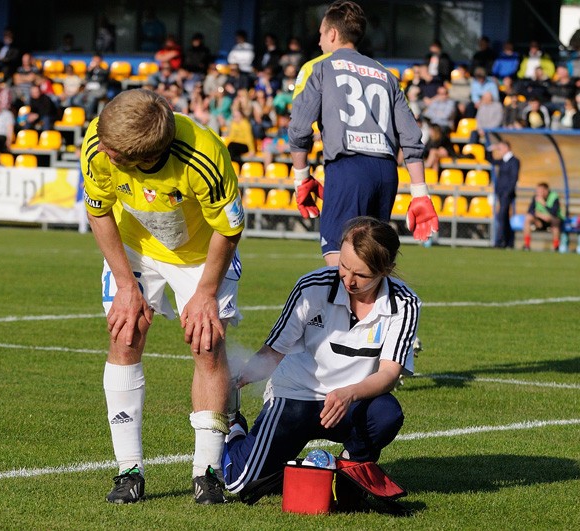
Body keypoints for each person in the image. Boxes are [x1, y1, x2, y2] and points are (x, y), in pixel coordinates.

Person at [81, 89, 244, 505]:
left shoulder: (205, 158)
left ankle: (207, 473)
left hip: (199, 254)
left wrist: (206, 292)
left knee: (207, 344)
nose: (102, 150)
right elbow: (98, 212)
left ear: (140, 158)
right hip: (135, 247)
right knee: (124, 333)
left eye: (112, 151)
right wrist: (124, 285)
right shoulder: (99, 142)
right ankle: (128, 470)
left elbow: (229, 229)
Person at [222, 217, 419, 500]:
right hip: (296, 396)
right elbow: (275, 348)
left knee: (386, 414)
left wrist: (348, 394)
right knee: (240, 485)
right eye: (344, 267)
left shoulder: (405, 303)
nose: (348, 280)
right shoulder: (311, 286)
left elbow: (389, 373)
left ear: (385, 270)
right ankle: (236, 429)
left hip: (351, 402)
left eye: (361, 276)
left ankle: (350, 468)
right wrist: (243, 375)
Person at [288, 0, 438, 266]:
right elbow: (412, 139)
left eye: (321, 33)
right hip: (385, 173)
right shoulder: (386, 74)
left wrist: (302, 178)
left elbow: (300, 129)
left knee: (341, 264)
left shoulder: (319, 67)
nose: (319, 40)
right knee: (373, 262)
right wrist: (420, 193)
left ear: (332, 34)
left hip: (348, 168)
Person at [491, 141, 519, 249]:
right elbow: (491, 160)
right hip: (501, 193)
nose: (499, 150)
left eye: (501, 148)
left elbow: (514, 178)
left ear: (507, 148)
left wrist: (508, 192)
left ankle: (499, 242)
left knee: (501, 216)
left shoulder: (514, 161)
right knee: (504, 218)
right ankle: (509, 242)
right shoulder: (503, 161)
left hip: (507, 193)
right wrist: (490, 150)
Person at [523, 182, 562, 251]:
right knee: (528, 218)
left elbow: (554, 212)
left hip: (551, 221)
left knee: (555, 221)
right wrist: (540, 215)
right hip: (540, 221)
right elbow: (530, 211)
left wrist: (544, 204)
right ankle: (527, 245)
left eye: (540, 191)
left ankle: (556, 247)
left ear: (546, 190)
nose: (538, 192)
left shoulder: (554, 197)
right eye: (537, 191)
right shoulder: (536, 197)